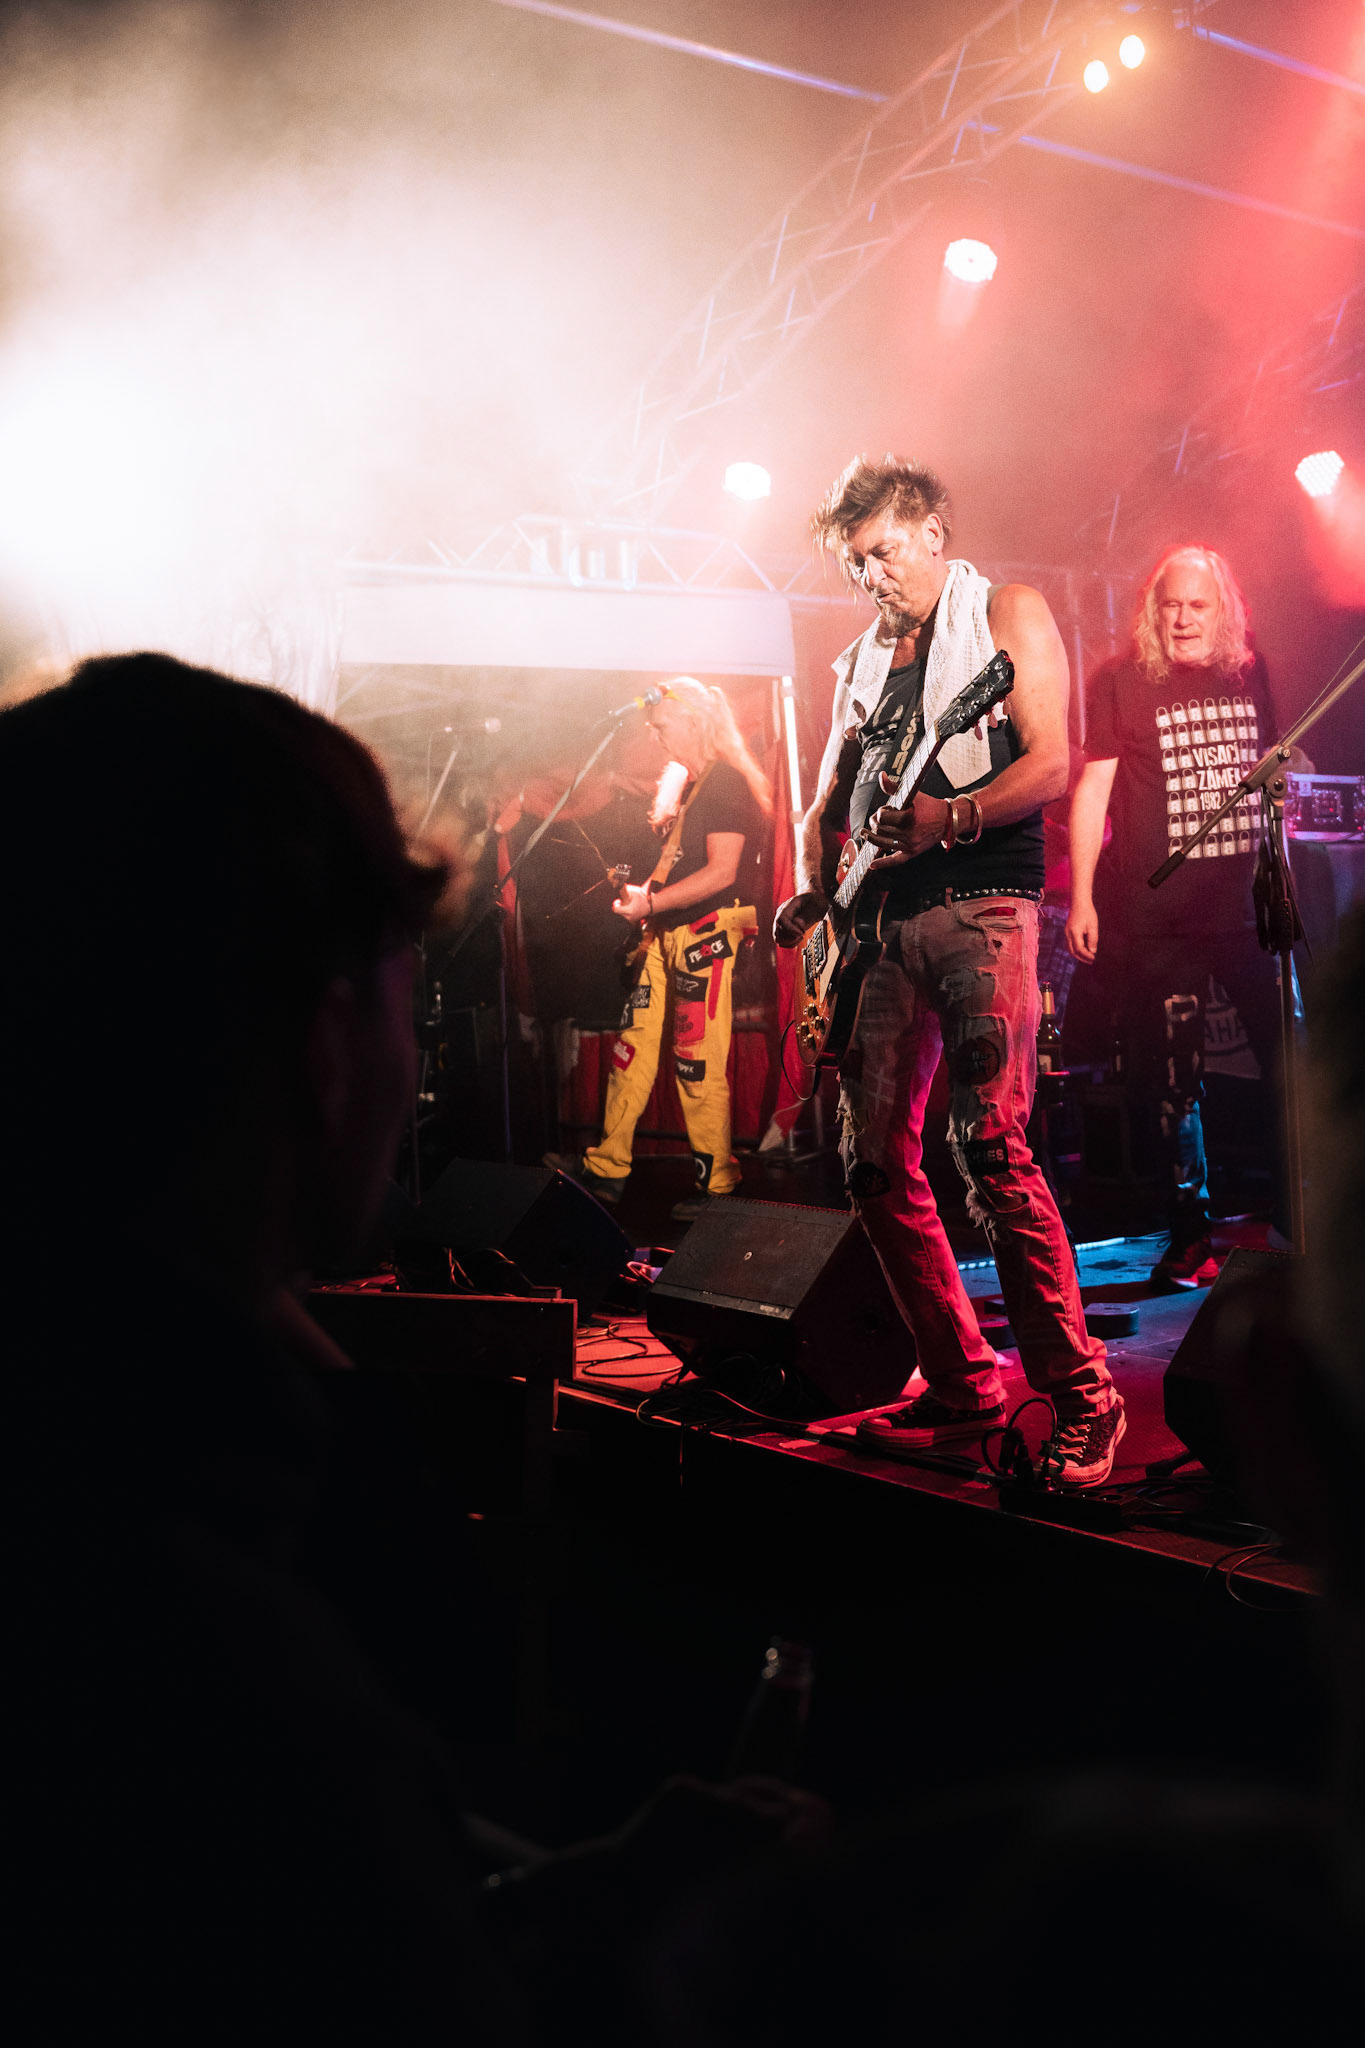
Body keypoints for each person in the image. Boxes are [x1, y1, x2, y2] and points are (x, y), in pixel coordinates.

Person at [4, 654, 816, 2046]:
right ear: (326, 1038)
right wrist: (641, 1927)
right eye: (401, 982)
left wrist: (582, 1884)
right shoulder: (213, 1598)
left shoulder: (105, 1422)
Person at [774, 456, 1121, 1487]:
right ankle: (964, 1384)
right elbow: (827, 800)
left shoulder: (1005, 611)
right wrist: (816, 899)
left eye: (882, 552)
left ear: (930, 532)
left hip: (983, 909)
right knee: (871, 1161)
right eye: (854, 562)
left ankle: (1085, 1398)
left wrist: (949, 816)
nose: (869, 575)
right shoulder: (859, 663)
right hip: (878, 922)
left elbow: (1051, 762)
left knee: (990, 1148)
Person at [1065, 546, 1291, 1286]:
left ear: (1223, 610)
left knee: (1290, 1064)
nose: (1184, 618)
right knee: (1169, 1084)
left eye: (1198, 605)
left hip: (1251, 912)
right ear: (1152, 611)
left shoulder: (1250, 672)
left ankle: (1298, 1215)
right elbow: (1093, 791)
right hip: (1158, 919)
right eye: (1171, 605)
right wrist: (1082, 896)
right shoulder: (1119, 680)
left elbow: (1277, 766)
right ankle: (1190, 1235)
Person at [549, 675, 772, 1224]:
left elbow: (722, 872)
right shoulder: (691, 787)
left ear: (695, 721)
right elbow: (680, 866)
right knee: (631, 1052)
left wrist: (650, 903)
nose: (655, 735)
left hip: (706, 936)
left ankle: (718, 1185)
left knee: (696, 1062)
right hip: (665, 933)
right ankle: (606, 1169)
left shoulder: (726, 783)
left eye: (662, 725)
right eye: (651, 728)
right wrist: (645, 897)